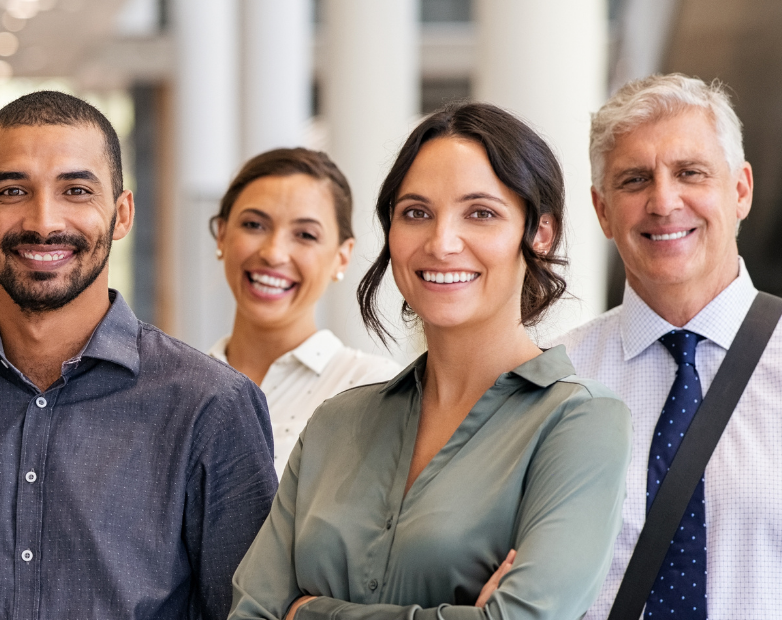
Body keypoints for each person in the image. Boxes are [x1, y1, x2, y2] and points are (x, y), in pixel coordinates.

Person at [0, 90, 277, 620]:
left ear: (122, 213)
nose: (44, 221)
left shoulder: (212, 407)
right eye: (14, 190)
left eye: (76, 190)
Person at [229, 102, 631, 620]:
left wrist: (308, 612)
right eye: (416, 213)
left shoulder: (580, 422)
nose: (442, 243)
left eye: (480, 213)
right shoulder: (336, 422)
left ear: (539, 233)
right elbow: (251, 612)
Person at [553, 74, 782, 619]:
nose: (663, 201)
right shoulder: (555, 381)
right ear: (603, 211)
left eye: (690, 173)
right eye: (634, 180)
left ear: (741, 190)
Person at [209, 148, 400, 474]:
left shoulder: (376, 391)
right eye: (254, 225)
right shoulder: (176, 386)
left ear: (342, 256)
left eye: (305, 235)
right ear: (223, 234)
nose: (273, 253)